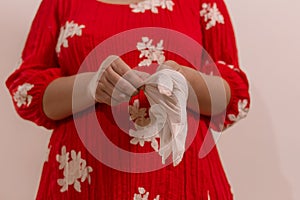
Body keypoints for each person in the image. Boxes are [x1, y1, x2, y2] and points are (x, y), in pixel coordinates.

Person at [6, 0, 250, 199]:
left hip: (183, 183)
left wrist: (186, 83)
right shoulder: (61, 2)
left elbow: (233, 99)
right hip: (86, 184)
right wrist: (90, 85)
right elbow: (27, 93)